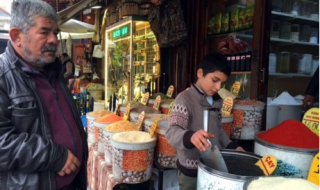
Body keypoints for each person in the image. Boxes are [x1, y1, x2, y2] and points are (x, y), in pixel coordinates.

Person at [0, 0, 88, 189]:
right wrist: (53, 156)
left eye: (55, 33)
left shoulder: (53, 71)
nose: (54, 40)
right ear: (17, 36)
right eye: (44, 32)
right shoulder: (2, 76)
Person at [166, 53, 244, 190]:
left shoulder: (217, 101)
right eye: (215, 80)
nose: (218, 87)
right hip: (191, 174)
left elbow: (218, 130)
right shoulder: (184, 99)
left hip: (214, 169)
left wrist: (233, 147)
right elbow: (172, 132)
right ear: (200, 73)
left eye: (222, 83)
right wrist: (191, 136)